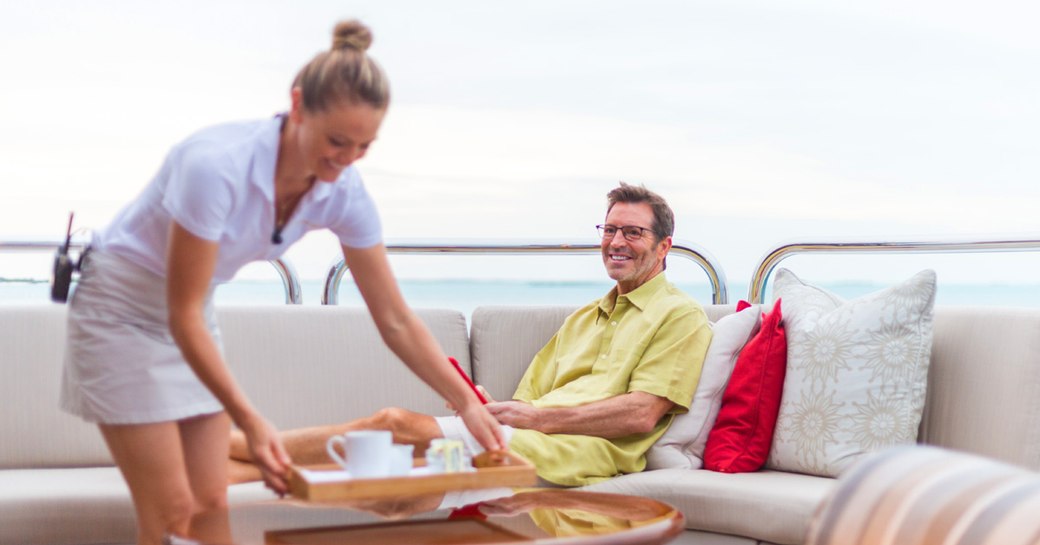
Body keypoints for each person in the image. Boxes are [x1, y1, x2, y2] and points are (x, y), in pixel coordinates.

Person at [58, 20, 504, 545]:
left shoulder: (344, 192)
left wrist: (468, 402)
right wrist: (250, 420)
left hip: (190, 313)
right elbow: (179, 312)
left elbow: (395, 318)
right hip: (119, 313)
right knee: (172, 507)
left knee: (209, 502)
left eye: (364, 146)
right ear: (297, 105)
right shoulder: (215, 166)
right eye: (337, 140)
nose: (346, 160)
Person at [228, 183, 712, 486]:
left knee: (396, 426)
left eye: (632, 233)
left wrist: (536, 421)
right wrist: (486, 404)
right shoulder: (583, 318)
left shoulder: (679, 317)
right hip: (527, 437)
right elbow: (528, 400)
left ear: (664, 246)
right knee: (385, 455)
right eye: (609, 230)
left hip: (581, 452)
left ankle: (221, 449)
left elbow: (642, 413)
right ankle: (224, 470)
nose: (616, 243)